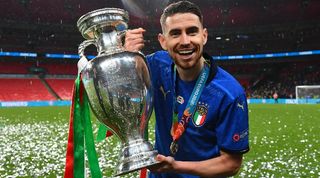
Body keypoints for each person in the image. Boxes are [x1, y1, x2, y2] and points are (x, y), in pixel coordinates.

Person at [125, 1, 249, 177]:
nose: (185, 41)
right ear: (163, 41)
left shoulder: (230, 94)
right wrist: (125, 56)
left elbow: (231, 163)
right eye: (175, 33)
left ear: (204, 36)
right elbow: (121, 87)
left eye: (192, 31)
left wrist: (176, 167)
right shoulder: (157, 65)